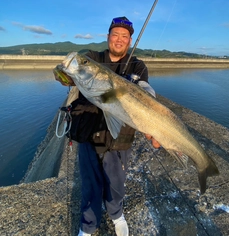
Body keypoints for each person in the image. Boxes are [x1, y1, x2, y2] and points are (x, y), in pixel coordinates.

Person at [54, 17, 160, 236]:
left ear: (130, 40)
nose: (119, 40)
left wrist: (153, 123)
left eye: (124, 36)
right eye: (115, 34)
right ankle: (88, 226)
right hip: (89, 133)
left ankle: (116, 215)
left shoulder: (137, 66)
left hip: (120, 137)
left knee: (116, 184)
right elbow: (68, 76)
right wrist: (63, 72)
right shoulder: (92, 58)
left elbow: (147, 92)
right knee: (90, 185)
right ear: (108, 36)